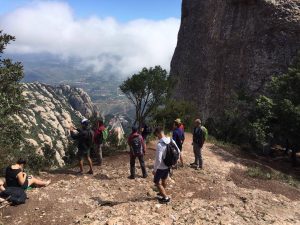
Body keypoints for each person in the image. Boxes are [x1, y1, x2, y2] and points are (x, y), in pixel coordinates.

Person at [153, 127, 180, 204]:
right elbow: (178, 151)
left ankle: (166, 198)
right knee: (164, 179)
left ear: (158, 133)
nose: (157, 137)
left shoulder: (160, 145)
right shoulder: (171, 140)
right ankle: (162, 192)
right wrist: (175, 160)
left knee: (156, 182)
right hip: (168, 166)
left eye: (156, 135)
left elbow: (158, 159)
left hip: (161, 167)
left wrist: (154, 170)